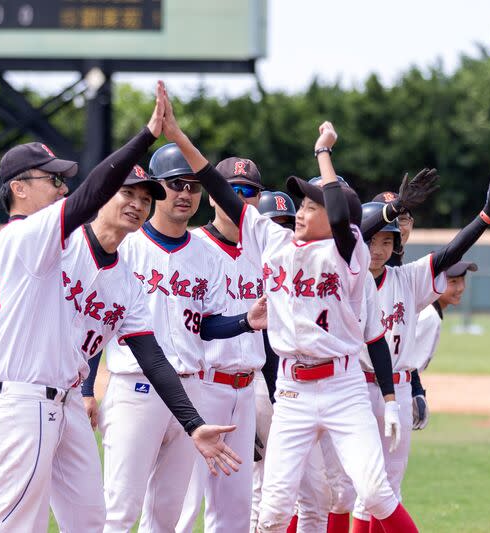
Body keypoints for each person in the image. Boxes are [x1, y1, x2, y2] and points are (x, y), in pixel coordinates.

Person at [165, 89, 438, 531]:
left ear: (333, 219)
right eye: (303, 204)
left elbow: (337, 204)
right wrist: (177, 135)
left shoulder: (346, 258)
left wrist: (323, 152)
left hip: (343, 386)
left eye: (311, 206)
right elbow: (217, 186)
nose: (301, 211)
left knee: (373, 492)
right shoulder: (271, 242)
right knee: (273, 511)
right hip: (292, 389)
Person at [0, 82, 228, 533]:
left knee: (91, 521)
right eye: (50, 179)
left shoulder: (119, 276)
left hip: (60, 399)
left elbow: (151, 354)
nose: (60, 186)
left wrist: (192, 423)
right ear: (18, 189)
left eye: (147, 199)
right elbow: (89, 194)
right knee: (9, 525)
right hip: (24, 399)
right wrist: (147, 135)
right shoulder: (34, 238)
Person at [97, 141, 266, 532]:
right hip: (135, 388)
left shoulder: (204, 254)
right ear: (158, 188)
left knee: (167, 516)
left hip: (189, 391)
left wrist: (245, 321)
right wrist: (89, 387)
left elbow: (204, 325)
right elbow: (99, 318)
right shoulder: (129, 248)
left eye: (192, 185)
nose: (185, 193)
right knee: (120, 509)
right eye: (176, 184)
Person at [351, 172, 490, 531]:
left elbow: (451, 252)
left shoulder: (407, 280)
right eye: (372, 241)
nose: (379, 249)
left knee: (389, 488)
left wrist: (486, 216)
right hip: (355, 389)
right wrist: (394, 207)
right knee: (364, 490)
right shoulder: (347, 282)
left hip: (396, 389)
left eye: (387, 241)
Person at [176, 157, 267, 533]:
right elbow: (196, 326)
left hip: (246, 391)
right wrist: (244, 321)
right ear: (214, 196)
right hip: (202, 387)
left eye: (251, 192)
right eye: (233, 190)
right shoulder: (192, 247)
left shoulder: (263, 248)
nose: (242, 199)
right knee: (183, 507)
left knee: (235, 511)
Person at [249, 190, 295, 532]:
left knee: (282, 490)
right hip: (254, 389)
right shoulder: (243, 269)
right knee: (256, 491)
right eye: (272, 224)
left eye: (286, 224)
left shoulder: (292, 273)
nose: (280, 230)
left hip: (287, 389)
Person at [411, 260, 478, 429]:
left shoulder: (427, 310)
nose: (461, 287)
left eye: (462, 280)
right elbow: (407, 364)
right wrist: (416, 393)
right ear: (434, 282)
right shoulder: (428, 316)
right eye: (453, 281)